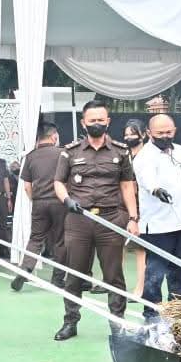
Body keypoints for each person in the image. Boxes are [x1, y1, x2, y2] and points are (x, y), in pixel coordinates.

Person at [52, 100, 138, 341]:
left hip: (110, 220)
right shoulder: (70, 151)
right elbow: (58, 182)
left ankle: (117, 324)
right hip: (78, 220)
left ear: (108, 122)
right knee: (75, 274)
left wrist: (133, 218)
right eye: (92, 120)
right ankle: (70, 322)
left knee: (113, 275)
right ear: (83, 123)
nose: (97, 124)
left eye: (101, 120)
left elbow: (127, 186)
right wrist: (67, 199)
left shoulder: (121, 152)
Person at [132, 114, 181, 320]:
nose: (165, 136)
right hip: (158, 226)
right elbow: (146, 179)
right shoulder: (144, 156)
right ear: (149, 133)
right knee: (155, 274)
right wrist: (156, 189)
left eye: (169, 132)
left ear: (174, 130)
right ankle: (152, 314)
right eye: (160, 133)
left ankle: (178, 312)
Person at [11, 122, 66, 291]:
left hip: (39, 202)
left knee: (35, 238)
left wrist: (35, 200)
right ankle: (57, 278)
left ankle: (25, 269)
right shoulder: (63, 153)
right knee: (60, 240)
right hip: (60, 201)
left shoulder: (30, 156)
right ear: (54, 136)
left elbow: (27, 186)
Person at [120, 119, 148, 297]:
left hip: (143, 207)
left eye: (133, 133)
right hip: (122, 205)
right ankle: (117, 286)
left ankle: (140, 288)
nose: (129, 137)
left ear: (143, 135)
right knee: (117, 246)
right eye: (127, 134)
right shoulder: (123, 155)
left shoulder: (148, 155)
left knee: (140, 249)